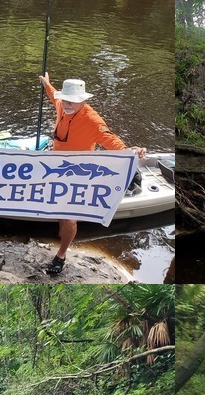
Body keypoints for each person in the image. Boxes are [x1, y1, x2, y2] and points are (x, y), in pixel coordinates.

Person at [37, 73, 147, 276]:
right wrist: (47, 84)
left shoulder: (92, 120)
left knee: (69, 216)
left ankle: (61, 254)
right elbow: (54, 95)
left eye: (74, 101)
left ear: (83, 100)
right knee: (61, 213)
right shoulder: (61, 103)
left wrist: (130, 151)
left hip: (79, 172)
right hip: (57, 167)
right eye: (66, 100)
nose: (68, 104)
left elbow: (110, 140)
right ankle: (62, 232)